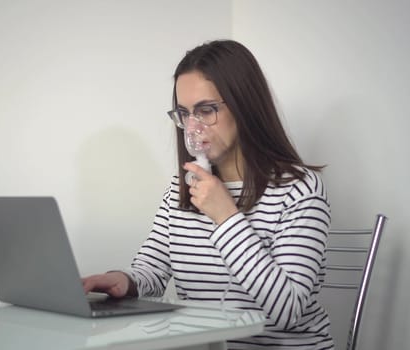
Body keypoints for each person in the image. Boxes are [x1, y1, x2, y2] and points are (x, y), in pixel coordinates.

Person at [82, 39, 334, 350]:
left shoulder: (300, 189)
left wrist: (226, 218)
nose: (192, 127)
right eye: (184, 113)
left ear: (245, 106)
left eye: (206, 110)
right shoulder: (182, 187)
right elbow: (152, 272)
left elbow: (285, 311)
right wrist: (125, 282)